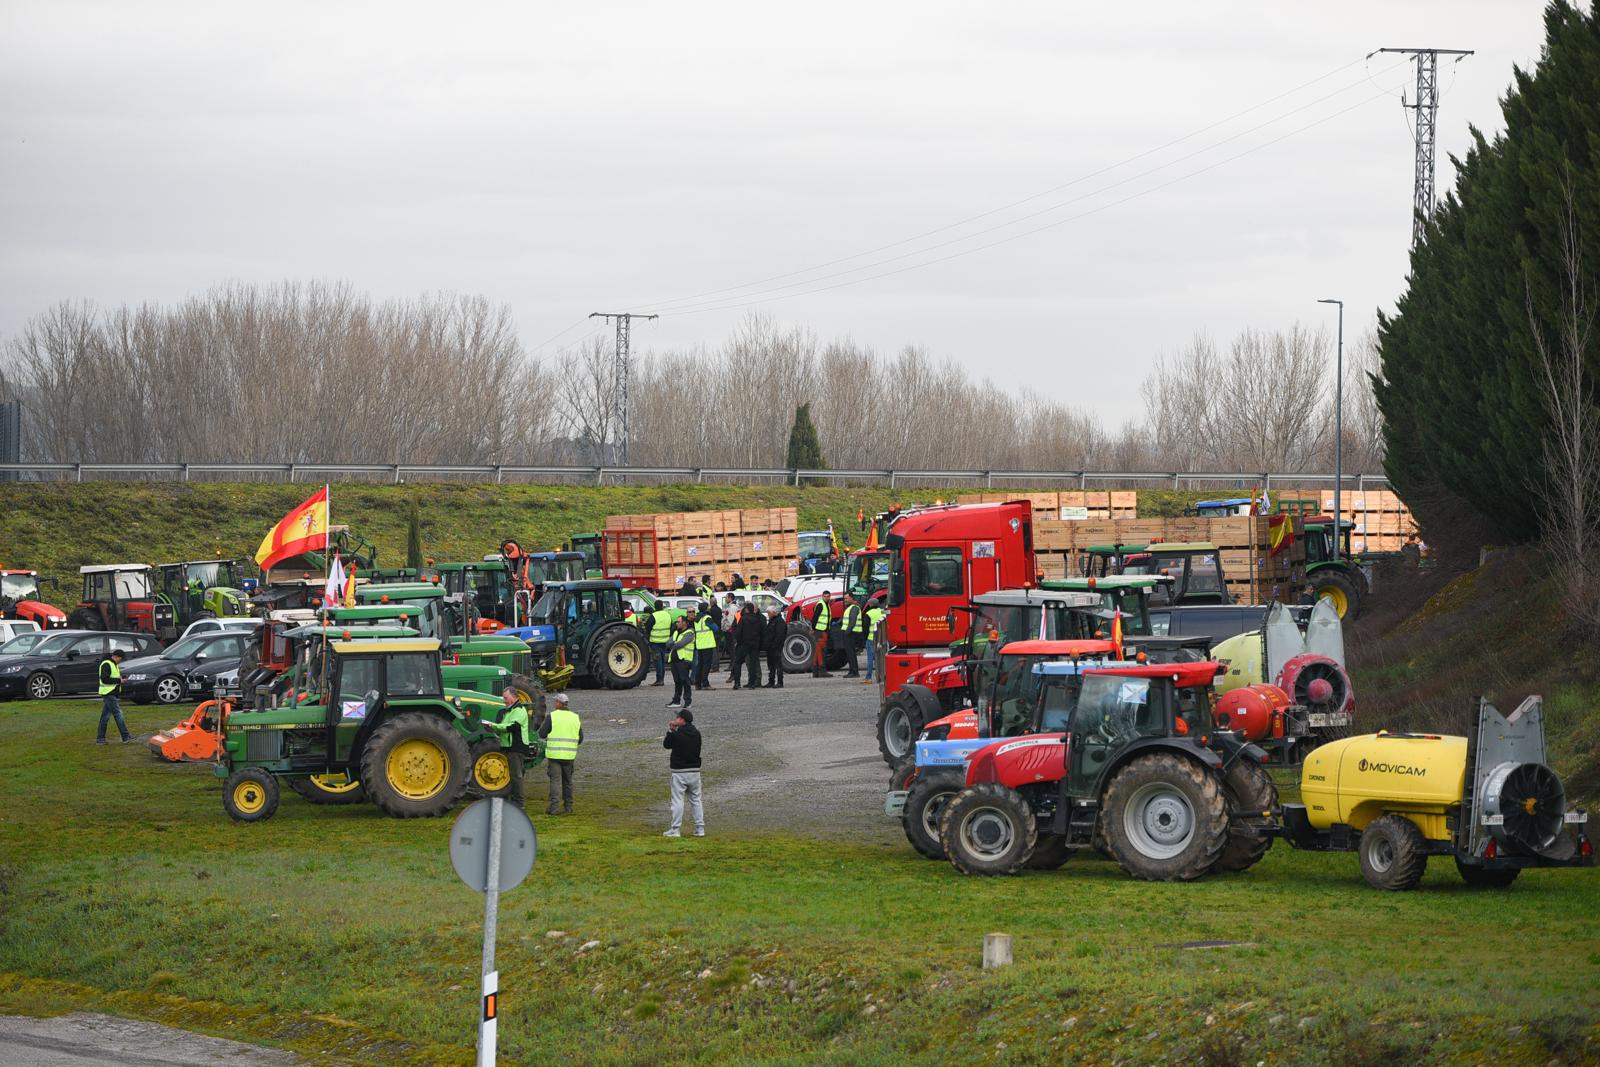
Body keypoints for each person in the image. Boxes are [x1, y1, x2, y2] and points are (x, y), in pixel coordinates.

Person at [539, 692, 583, 815]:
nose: (554, 704)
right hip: (569, 756)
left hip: (554, 756)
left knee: (555, 782)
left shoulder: (552, 716)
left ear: (559, 703)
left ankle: (554, 808)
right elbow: (580, 738)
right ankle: (568, 808)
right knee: (568, 782)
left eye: (555, 702)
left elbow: (542, 734)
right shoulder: (575, 717)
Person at [662, 708, 704, 837]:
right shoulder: (697, 733)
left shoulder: (677, 734)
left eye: (678, 717)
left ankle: (675, 829)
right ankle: (699, 828)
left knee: (678, 801)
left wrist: (671, 730)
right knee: (696, 800)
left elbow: (667, 745)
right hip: (695, 772)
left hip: (679, 772)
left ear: (682, 720)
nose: (675, 719)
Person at [96, 649, 132, 744]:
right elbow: (105, 679)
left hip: (110, 693)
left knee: (105, 717)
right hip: (109, 693)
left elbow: (110, 677)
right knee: (118, 714)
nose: (121, 661)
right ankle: (125, 736)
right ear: (116, 657)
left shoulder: (112, 664)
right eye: (120, 659)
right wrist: (119, 681)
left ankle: (100, 739)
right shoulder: (107, 664)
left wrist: (120, 679)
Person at [666, 616, 696, 709]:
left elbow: (680, 644)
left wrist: (674, 643)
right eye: (677, 622)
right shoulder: (675, 632)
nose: (677, 623)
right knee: (677, 681)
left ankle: (687, 701)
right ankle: (676, 701)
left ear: (685, 623)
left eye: (679, 622)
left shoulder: (689, 633)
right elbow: (667, 644)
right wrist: (674, 643)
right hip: (674, 660)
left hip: (683, 660)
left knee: (685, 680)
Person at [733, 602, 764, 689]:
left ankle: (737, 683)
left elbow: (738, 632)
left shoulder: (743, 619)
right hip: (754, 644)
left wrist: (738, 642)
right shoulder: (758, 619)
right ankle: (752, 683)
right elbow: (761, 632)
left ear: (746, 609)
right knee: (753, 664)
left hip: (743, 644)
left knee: (738, 662)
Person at [691, 604, 718, 690]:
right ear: (705, 609)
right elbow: (715, 628)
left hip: (700, 644)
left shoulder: (696, 619)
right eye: (708, 607)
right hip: (707, 644)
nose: (709, 608)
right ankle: (705, 683)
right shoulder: (707, 618)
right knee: (706, 665)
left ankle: (697, 683)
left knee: (700, 665)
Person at [647, 602, 673, 686]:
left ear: (655, 606)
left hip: (655, 642)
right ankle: (662, 679)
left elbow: (648, 628)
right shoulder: (667, 615)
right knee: (662, 660)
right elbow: (671, 626)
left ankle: (659, 679)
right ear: (662, 606)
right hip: (665, 641)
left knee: (658, 661)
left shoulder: (653, 616)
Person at [761, 605, 786, 687]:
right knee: (771, 666)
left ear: (773, 612)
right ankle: (771, 681)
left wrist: (774, 645)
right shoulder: (772, 621)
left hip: (776, 648)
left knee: (778, 665)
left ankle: (780, 682)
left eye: (769, 613)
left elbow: (780, 635)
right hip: (770, 647)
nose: (768, 614)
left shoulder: (779, 621)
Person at [838, 597, 864, 677]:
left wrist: (846, 632)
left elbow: (852, 622)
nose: (845, 600)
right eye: (844, 598)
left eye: (847, 598)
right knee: (850, 654)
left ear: (853, 599)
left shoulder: (854, 608)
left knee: (851, 653)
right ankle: (852, 671)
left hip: (851, 634)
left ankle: (854, 672)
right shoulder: (850, 608)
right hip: (850, 633)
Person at [864, 601, 887, 683]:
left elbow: (865, 628)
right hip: (882, 639)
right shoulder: (883, 611)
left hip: (871, 638)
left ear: (870, 605)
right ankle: (885, 676)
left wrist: (864, 639)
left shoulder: (868, 613)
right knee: (882, 658)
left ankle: (868, 678)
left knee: (870, 659)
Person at [810, 597, 832, 678]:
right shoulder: (821, 605)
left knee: (817, 652)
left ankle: (815, 672)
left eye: (828, 596)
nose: (827, 598)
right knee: (821, 652)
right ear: (823, 596)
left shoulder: (826, 605)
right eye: (825, 596)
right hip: (820, 631)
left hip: (821, 631)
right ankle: (822, 671)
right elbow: (815, 618)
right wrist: (814, 628)